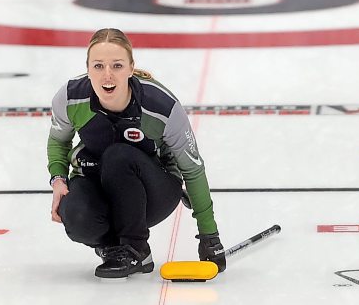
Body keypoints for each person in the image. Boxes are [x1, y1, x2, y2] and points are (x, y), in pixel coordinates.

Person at [47, 28, 226, 279]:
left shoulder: (161, 105)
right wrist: (58, 180)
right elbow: (58, 142)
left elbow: (193, 168)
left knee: (118, 156)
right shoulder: (70, 97)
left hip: (154, 194)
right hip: (96, 180)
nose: (107, 75)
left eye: (117, 66)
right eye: (98, 66)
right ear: (87, 69)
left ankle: (137, 249)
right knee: (76, 215)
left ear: (131, 68)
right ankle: (114, 249)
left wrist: (210, 236)